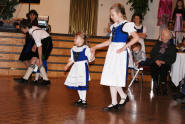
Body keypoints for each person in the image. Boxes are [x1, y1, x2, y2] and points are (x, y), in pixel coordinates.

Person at [91, 3, 139, 111]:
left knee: (116, 77)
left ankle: (121, 97)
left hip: (120, 53)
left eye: (113, 15)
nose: (111, 17)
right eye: (111, 15)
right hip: (112, 52)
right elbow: (109, 41)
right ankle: (115, 101)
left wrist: (125, 47)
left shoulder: (127, 24)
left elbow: (136, 38)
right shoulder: (114, 26)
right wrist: (95, 47)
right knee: (110, 77)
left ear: (120, 14)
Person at [14, 19, 53, 85]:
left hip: (47, 44)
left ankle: (44, 80)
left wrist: (40, 59)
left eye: (21, 29)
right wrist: (35, 45)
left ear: (25, 27)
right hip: (44, 42)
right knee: (34, 59)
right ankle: (26, 79)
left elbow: (40, 46)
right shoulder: (32, 28)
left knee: (37, 60)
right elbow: (39, 36)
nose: (21, 30)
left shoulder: (33, 32)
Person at [64, 32, 94, 107]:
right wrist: (67, 65)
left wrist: (92, 54)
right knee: (78, 83)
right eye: (74, 38)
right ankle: (81, 99)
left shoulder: (86, 48)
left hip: (83, 68)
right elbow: (72, 59)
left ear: (82, 40)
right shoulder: (73, 49)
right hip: (75, 68)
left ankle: (84, 100)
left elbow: (90, 59)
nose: (74, 39)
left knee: (82, 83)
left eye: (76, 38)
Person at [150, 29, 177, 96]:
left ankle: (163, 85)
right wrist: (156, 60)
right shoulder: (158, 44)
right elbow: (152, 53)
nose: (161, 36)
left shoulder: (172, 47)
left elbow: (172, 58)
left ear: (168, 37)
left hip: (165, 63)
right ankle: (156, 85)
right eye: (161, 34)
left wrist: (163, 61)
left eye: (162, 35)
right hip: (156, 62)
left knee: (163, 68)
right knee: (153, 66)